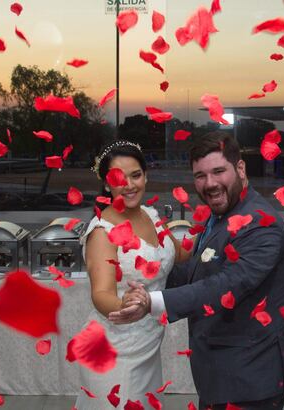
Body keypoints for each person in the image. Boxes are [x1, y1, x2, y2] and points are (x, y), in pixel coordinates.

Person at [109, 131, 284, 410]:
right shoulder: (222, 215)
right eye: (200, 175)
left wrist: (153, 301)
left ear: (240, 169)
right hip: (223, 373)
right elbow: (196, 271)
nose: (209, 183)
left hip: (251, 379)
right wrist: (146, 273)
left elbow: (225, 285)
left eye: (218, 171)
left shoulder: (262, 223)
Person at [74, 140, 192, 409]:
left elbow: (181, 253)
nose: (129, 185)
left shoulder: (151, 215)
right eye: (119, 178)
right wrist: (124, 305)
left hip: (147, 347)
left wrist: (220, 231)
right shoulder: (102, 231)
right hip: (114, 351)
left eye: (136, 175)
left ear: (146, 175)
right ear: (106, 184)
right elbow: (101, 293)